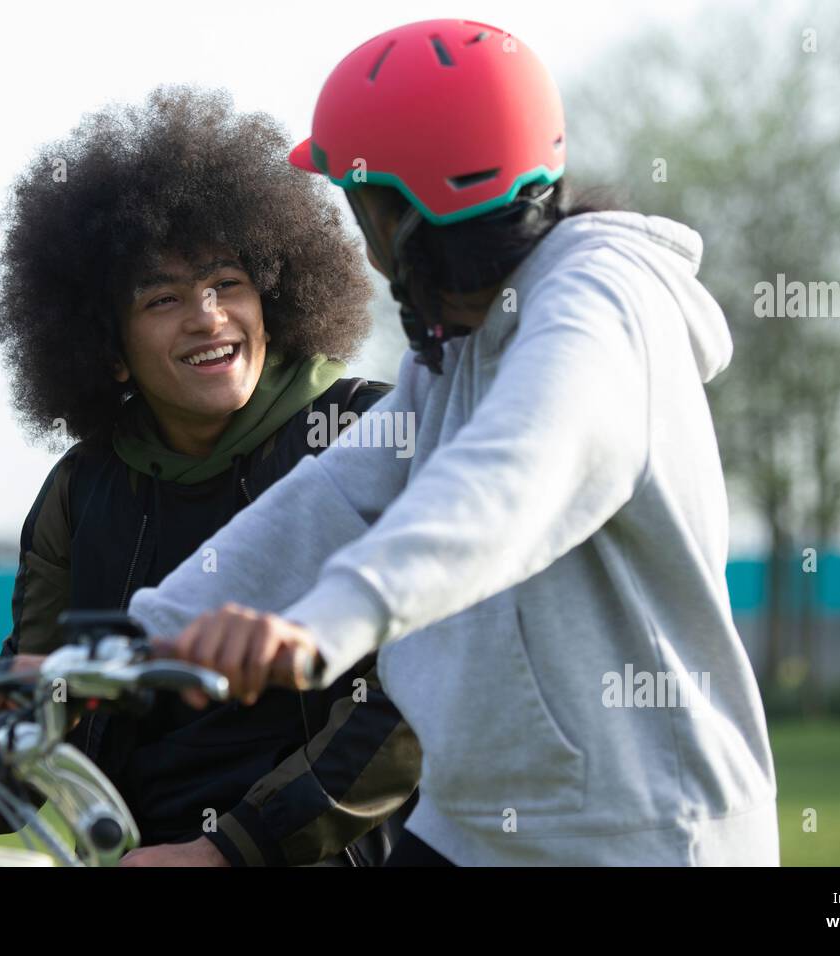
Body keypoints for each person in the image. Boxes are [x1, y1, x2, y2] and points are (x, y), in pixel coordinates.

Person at [126, 20, 780, 865]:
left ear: (405, 214)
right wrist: (135, 641)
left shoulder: (603, 303)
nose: (359, 237)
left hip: (639, 834)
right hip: (471, 825)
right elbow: (334, 497)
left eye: (360, 203)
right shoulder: (459, 345)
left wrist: (327, 623)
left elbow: (508, 479)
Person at [0, 86, 421, 867]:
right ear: (106, 347)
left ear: (275, 297)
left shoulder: (368, 433)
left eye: (228, 283)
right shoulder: (81, 491)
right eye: (164, 297)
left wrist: (231, 851)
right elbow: (35, 717)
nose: (209, 316)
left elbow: (413, 703)